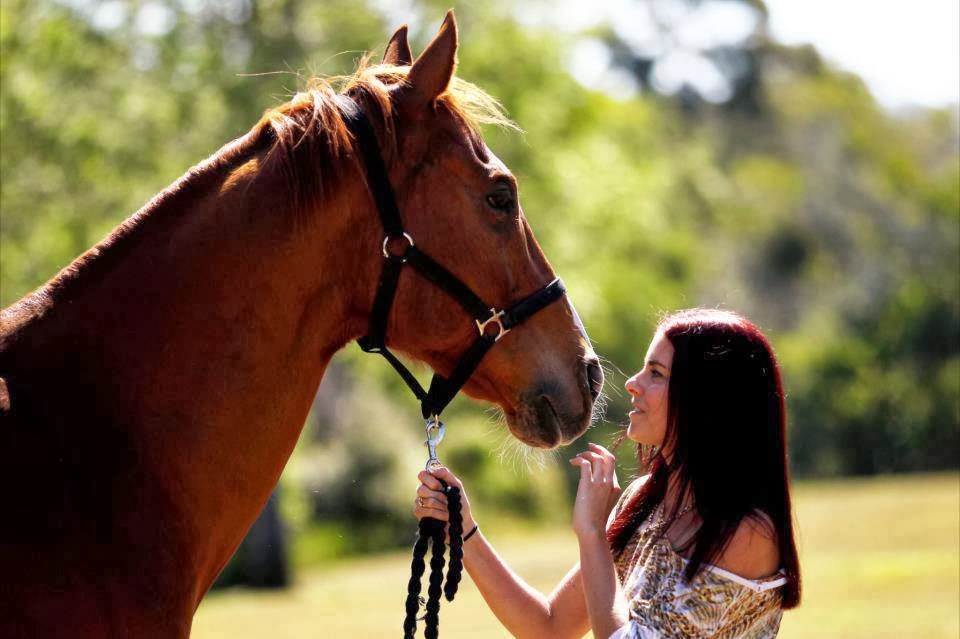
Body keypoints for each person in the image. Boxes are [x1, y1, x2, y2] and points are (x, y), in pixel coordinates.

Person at [414, 307, 801, 638]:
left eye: (656, 373)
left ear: (707, 399)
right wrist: (463, 528)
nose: (633, 384)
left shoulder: (747, 533)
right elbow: (548, 627)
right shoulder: (646, 501)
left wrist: (593, 533)